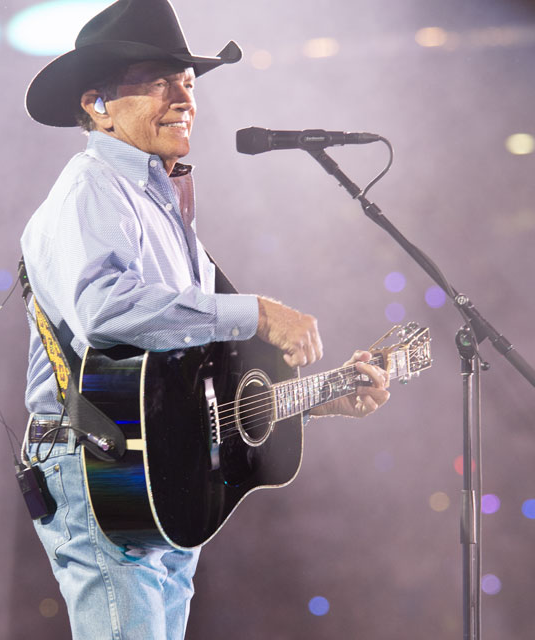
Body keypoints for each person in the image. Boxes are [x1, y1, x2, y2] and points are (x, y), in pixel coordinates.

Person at [20, 0, 391, 638]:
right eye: (158, 81)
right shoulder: (91, 190)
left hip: (159, 468)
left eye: (187, 82)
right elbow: (102, 309)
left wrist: (317, 399)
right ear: (97, 103)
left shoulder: (165, 204)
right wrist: (256, 312)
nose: (182, 97)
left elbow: (194, 377)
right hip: (102, 461)